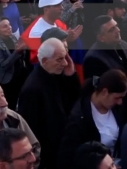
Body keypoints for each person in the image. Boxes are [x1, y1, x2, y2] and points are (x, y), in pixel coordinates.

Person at [17, 38, 80, 169]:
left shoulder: (55, 74)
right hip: (50, 158)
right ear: (45, 61)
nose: (65, 63)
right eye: (59, 59)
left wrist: (71, 76)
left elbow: (73, 103)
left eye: (65, 57)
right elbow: (32, 131)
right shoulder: (32, 89)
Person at [58, 69, 127, 163]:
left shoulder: (116, 109)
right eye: (117, 98)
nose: (120, 102)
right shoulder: (79, 119)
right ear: (104, 92)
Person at [81, 16, 127, 83]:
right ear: (101, 38)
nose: (118, 30)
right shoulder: (93, 59)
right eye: (111, 30)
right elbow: (107, 87)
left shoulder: (123, 44)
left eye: (116, 26)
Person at [0, 16, 31, 105]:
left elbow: (20, 56)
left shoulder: (12, 37)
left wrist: (23, 50)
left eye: (9, 25)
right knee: (11, 102)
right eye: (5, 26)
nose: (9, 28)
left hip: (18, 74)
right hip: (7, 79)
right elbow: (3, 66)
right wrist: (17, 52)